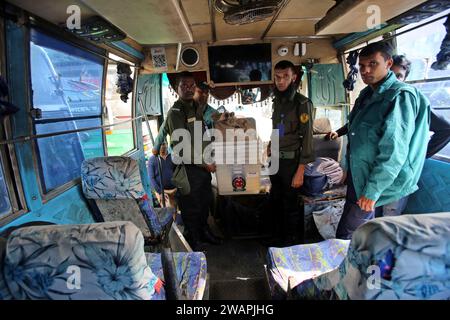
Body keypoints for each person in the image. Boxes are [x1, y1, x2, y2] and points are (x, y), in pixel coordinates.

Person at [328, 54, 450, 216]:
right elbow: (356, 124)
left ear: (405, 78)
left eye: (398, 75)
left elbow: (445, 130)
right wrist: (339, 132)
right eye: (390, 73)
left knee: (387, 219)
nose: (391, 79)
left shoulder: (411, 101)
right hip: (368, 174)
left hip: (393, 178)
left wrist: (417, 156)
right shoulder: (371, 97)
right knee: (367, 217)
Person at [334, 42, 430, 239]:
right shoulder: (366, 94)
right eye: (361, 66)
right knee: (363, 234)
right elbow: (355, 134)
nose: (365, 70)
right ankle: (362, 267)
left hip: (380, 183)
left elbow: (394, 151)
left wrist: (372, 191)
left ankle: (350, 268)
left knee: (348, 234)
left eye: (372, 64)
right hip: (359, 176)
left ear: (388, 63)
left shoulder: (399, 97)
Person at [157, 71, 222, 250]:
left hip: (202, 166)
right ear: (176, 88)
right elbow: (182, 148)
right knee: (192, 206)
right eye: (183, 85)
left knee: (204, 201)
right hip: (187, 168)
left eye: (191, 85)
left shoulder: (195, 107)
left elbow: (202, 136)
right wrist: (205, 163)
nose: (188, 89)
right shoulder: (176, 113)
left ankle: (205, 232)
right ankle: (194, 239)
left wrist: (212, 156)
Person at [267, 60, 315, 246]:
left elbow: (308, 139)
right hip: (276, 162)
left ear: (293, 77)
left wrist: (300, 171)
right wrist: (271, 143)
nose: (280, 81)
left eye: (285, 77)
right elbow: (279, 126)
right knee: (276, 201)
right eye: (277, 77)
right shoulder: (279, 102)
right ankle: (277, 237)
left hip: (292, 163)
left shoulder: (302, 103)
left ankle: (290, 243)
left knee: (290, 205)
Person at [148, 142, 177, 209]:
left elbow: (177, 172)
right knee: (168, 210)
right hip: (162, 191)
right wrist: (160, 192)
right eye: (160, 144)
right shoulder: (152, 160)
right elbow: (151, 178)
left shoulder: (172, 157)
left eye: (163, 144)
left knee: (178, 207)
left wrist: (177, 187)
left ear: (167, 145)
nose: (162, 146)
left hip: (174, 189)